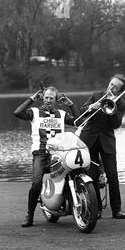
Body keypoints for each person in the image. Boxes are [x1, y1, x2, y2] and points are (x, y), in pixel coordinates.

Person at [13, 86, 79, 227]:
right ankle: (29, 214)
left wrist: (71, 104)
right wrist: (31, 99)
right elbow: (17, 113)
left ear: (56, 100)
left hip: (59, 152)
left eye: (52, 98)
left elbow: (78, 122)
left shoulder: (61, 114)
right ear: (42, 98)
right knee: (36, 183)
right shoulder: (34, 112)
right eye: (46, 97)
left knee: (71, 174)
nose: (49, 100)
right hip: (41, 153)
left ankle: (73, 205)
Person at [78, 74, 125, 219]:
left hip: (107, 141)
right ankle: (97, 208)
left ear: (119, 91)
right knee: (92, 175)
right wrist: (90, 107)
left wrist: (113, 109)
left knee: (112, 176)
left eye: (115, 87)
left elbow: (116, 124)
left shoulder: (121, 103)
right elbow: (82, 110)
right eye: (111, 84)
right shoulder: (96, 95)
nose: (111, 88)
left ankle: (116, 210)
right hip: (90, 139)